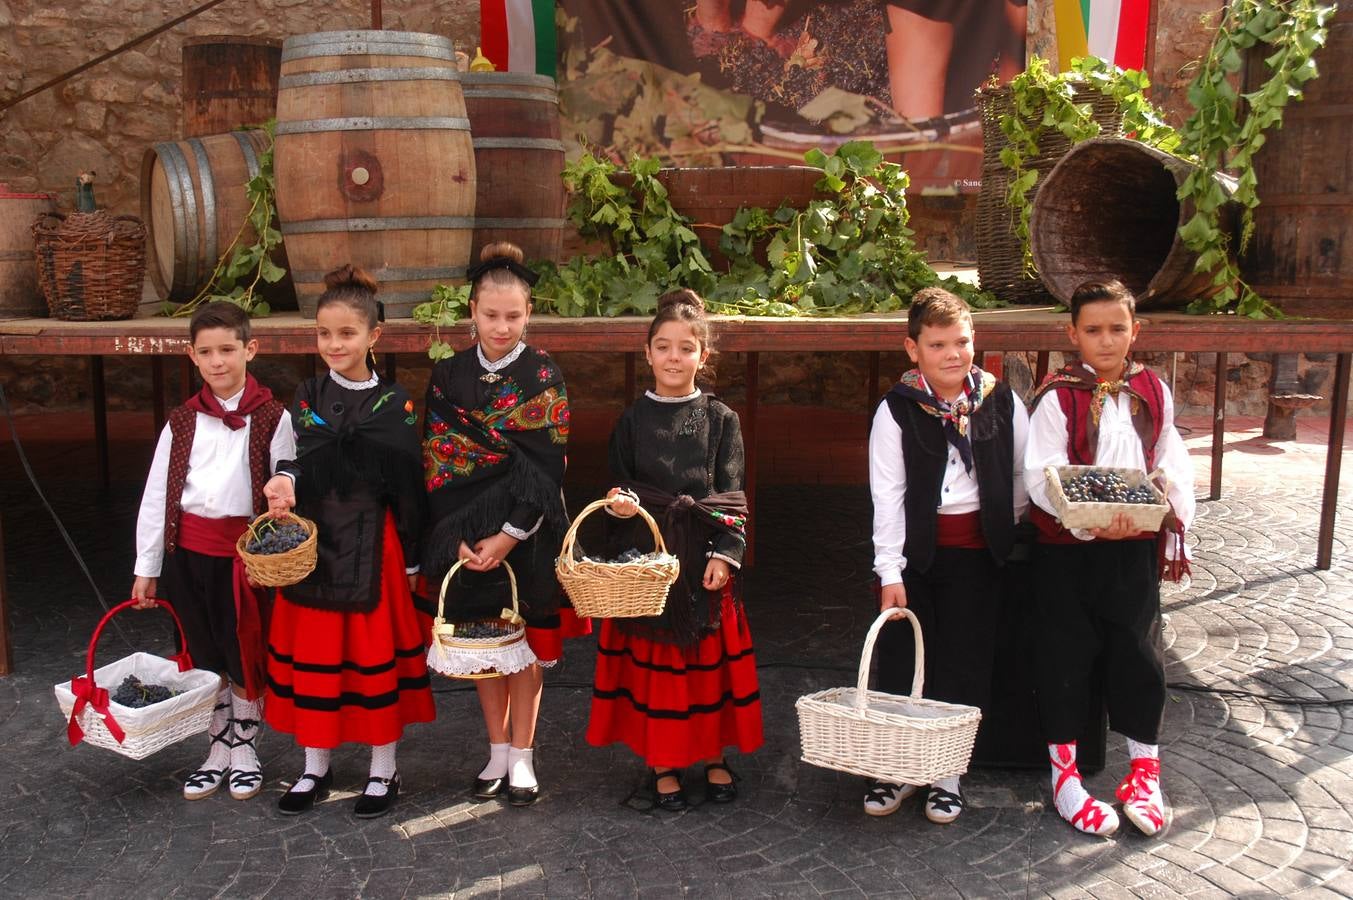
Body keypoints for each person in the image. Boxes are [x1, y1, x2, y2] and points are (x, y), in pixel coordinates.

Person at [261, 265, 434, 819]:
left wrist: (411, 560)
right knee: (318, 655)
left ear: (374, 336)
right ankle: (315, 764)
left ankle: (385, 771)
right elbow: (293, 459)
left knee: (371, 654)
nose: (334, 345)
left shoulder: (395, 405)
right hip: (313, 547)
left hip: (374, 548)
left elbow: (410, 489)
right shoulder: (306, 395)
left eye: (347, 334)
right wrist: (284, 481)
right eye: (324, 334)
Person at [1024, 279, 1195, 837]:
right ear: (1072, 334)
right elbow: (1040, 474)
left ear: (1135, 331)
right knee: (1065, 657)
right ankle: (1066, 778)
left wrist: (1164, 503)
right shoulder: (1057, 397)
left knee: (1138, 653)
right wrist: (1090, 517)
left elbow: (1169, 454)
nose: (1106, 340)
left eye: (1117, 328)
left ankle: (1144, 772)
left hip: (1134, 550)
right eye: (1093, 330)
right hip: (1068, 553)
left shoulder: (1154, 390)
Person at [588, 288, 762, 810]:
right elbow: (619, 486)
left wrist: (724, 554)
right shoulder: (631, 421)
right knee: (659, 671)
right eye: (662, 347)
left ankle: (712, 756)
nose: (673, 358)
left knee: (706, 669)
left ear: (702, 356)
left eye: (685, 348)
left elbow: (733, 494)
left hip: (703, 559)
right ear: (647, 353)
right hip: (651, 564)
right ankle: (663, 763)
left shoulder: (722, 420)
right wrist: (618, 506)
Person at [866, 286, 1029, 823]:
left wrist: (1002, 527)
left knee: (964, 660)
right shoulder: (897, 410)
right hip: (916, 557)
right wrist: (889, 569)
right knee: (904, 657)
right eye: (938, 345)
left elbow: (1021, 475)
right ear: (913, 349)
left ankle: (947, 773)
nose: (953, 355)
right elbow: (887, 494)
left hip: (978, 555)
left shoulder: (1000, 400)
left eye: (962, 342)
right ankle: (895, 768)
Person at [422, 242, 577, 808]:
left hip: (526, 534)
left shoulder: (543, 375)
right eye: (491, 315)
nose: (502, 326)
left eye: (514, 316)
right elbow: (438, 456)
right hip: (466, 539)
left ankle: (523, 757)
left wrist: (510, 535)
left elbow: (547, 464)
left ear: (529, 313)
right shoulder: (448, 375)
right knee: (486, 641)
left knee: (525, 644)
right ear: (472, 312)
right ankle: (494, 750)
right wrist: (458, 538)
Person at [131, 301, 293, 802]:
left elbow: (286, 477)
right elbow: (158, 494)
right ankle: (216, 747)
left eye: (227, 349)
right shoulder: (181, 422)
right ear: (191, 357)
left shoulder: (273, 417)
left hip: (241, 559)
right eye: (207, 352)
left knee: (242, 651)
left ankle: (245, 748)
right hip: (187, 556)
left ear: (250, 349)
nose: (218, 361)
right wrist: (147, 566)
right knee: (202, 656)